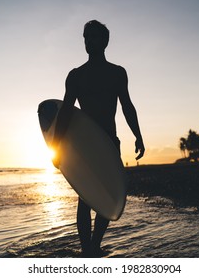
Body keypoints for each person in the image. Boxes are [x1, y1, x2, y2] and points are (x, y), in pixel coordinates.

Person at [51, 20, 145, 257]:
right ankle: (87, 250)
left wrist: (138, 135)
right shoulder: (75, 76)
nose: (89, 41)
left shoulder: (117, 73)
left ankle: (95, 245)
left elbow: (127, 106)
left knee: (107, 194)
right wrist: (55, 146)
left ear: (105, 42)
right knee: (85, 197)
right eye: (86, 37)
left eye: (94, 37)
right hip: (85, 145)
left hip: (109, 142)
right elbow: (65, 113)